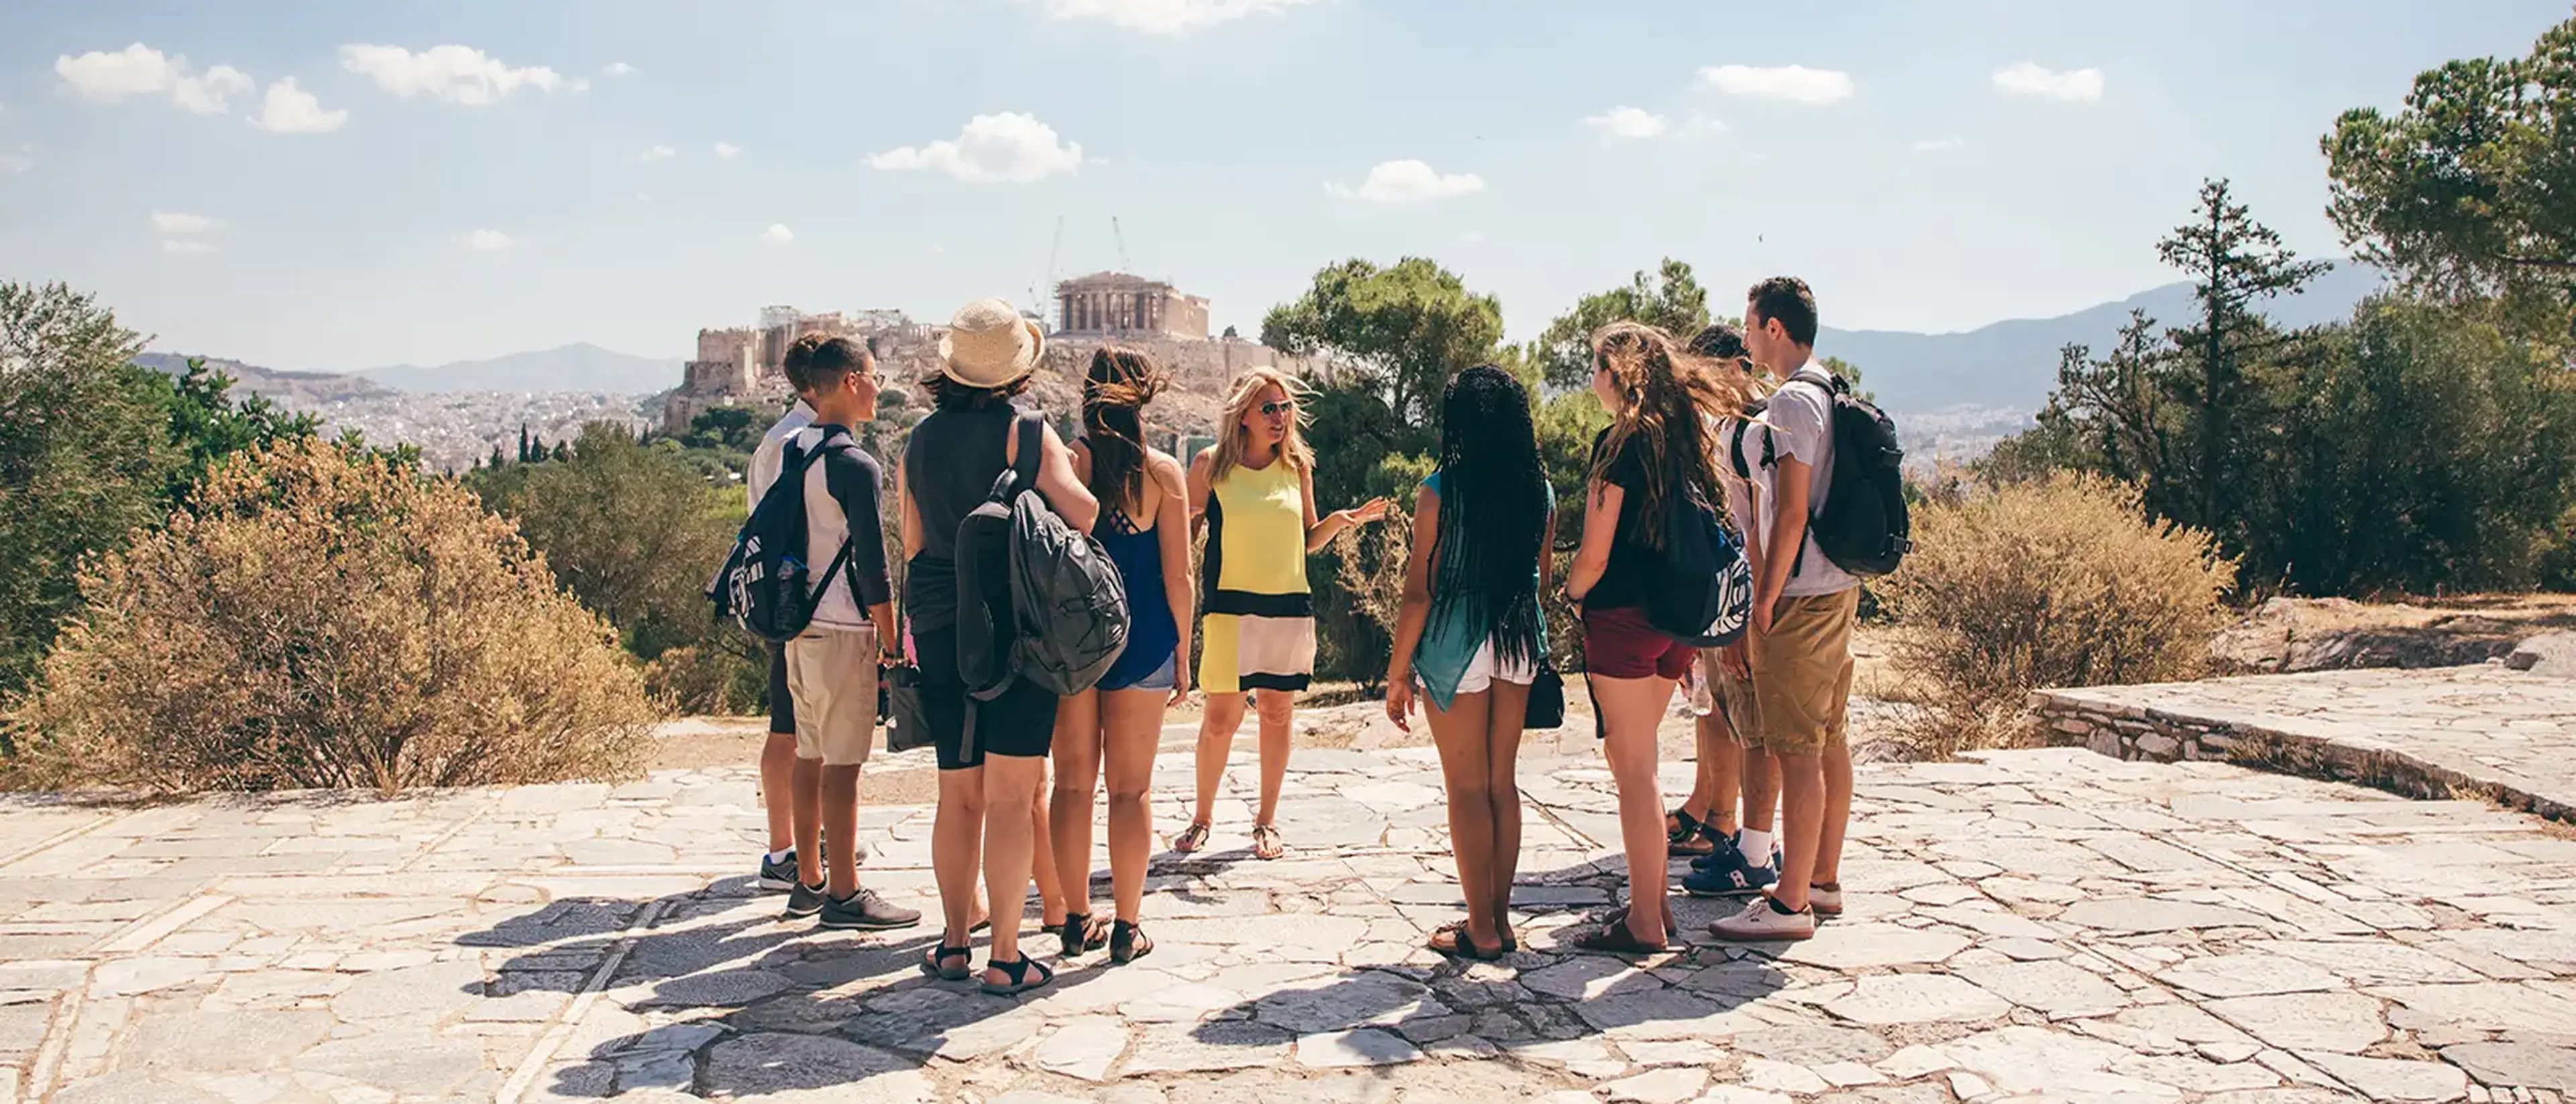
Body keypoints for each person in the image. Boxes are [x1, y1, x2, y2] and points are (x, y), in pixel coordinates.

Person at [900, 298, 1099, 995]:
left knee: (957, 794)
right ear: (1017, 369)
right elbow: (1084, 512)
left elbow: (915, 540)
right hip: (1016, 624)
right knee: (1013, 795)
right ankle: (1007, 953)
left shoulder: (919, 440)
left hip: (939, 623)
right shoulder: (1028, 431)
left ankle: (954, 941)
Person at [1564, 322, 1754, 954]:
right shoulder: (1688, 439)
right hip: (1678, 626)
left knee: (1636, 771)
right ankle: (1656, 907)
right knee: (1635, 761)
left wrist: (1569, 593)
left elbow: (1594, 552)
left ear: (1616, 374)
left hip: (1623, 620)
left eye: (1595, 366)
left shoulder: (1618, 445)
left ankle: (1645, 919)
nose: (1590, 379)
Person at [1175, 368, 1387, 861]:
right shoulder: (1210, 466)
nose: (1280, 417)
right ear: (1243, 415)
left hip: (1288, 606)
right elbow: (1182, 537)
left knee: (1276, 713)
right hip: (1229, 608)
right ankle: (1202, 818)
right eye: (1269, 408)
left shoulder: (1297, 467)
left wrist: (1339, 522)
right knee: (1221, 720)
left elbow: (1308, 538)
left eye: (1285, 407)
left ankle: (1266, 822)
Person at [1710, 277, 1860, 944]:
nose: (1745, 337)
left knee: (1797, 748)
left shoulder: (1794, 401)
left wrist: (1762, 599)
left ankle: (1791, 898)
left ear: (1774, 327)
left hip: (1799, 594)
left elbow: (1791, 509)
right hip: (1835, 583)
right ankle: (1821, 878)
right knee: (1827, 735)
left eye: (1750, 324)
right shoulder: (1829, 388)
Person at [1384, 364, 1552, 960]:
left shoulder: (1438, 492)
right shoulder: (1540, 489)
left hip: (1457, 640)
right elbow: (1542, 575)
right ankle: (1501, 921)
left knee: (1466, 787)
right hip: (1517, 636)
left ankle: (1478, 928)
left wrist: (1398, 670)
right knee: (1502, 782)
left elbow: (1418, 591)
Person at [1049, 347, 1192, 964]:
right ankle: (1129, 927)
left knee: (1073, 786)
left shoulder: (1067, 463)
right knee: (1131, 792)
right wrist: (1185, 649)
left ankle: (1076, 919)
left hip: (1074, 647)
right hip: (1145, 640)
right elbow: (1177, 574)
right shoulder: (1163, 474)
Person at [772, 337, 920, 932]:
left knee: (809, 753)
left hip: (800, 626)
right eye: (875, 377)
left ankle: (808, 879)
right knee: (844, 764)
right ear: (853, 381)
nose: (880, 388)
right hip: (841, 627)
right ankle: (844, 892)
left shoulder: (795, 450)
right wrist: (890, 638)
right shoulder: (856, 465)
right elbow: (872, 562)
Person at [1675, 324, 1782, 900]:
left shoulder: (1760, 431)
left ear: (1737, 369)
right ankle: (1732, 829)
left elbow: (1759, 529)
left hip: (1747, 601)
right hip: (1726, 598)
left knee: (1754, 727)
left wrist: (1745, 617)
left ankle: (1754, 849)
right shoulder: (1729, 432)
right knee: (1724, 713)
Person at [747, 336, 820, 891]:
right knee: (787, 727)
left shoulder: (786, 438)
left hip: (799, 598)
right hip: (796, 600)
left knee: (802, 727)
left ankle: (805, 838)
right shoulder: (791, 442)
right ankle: (782, 850)